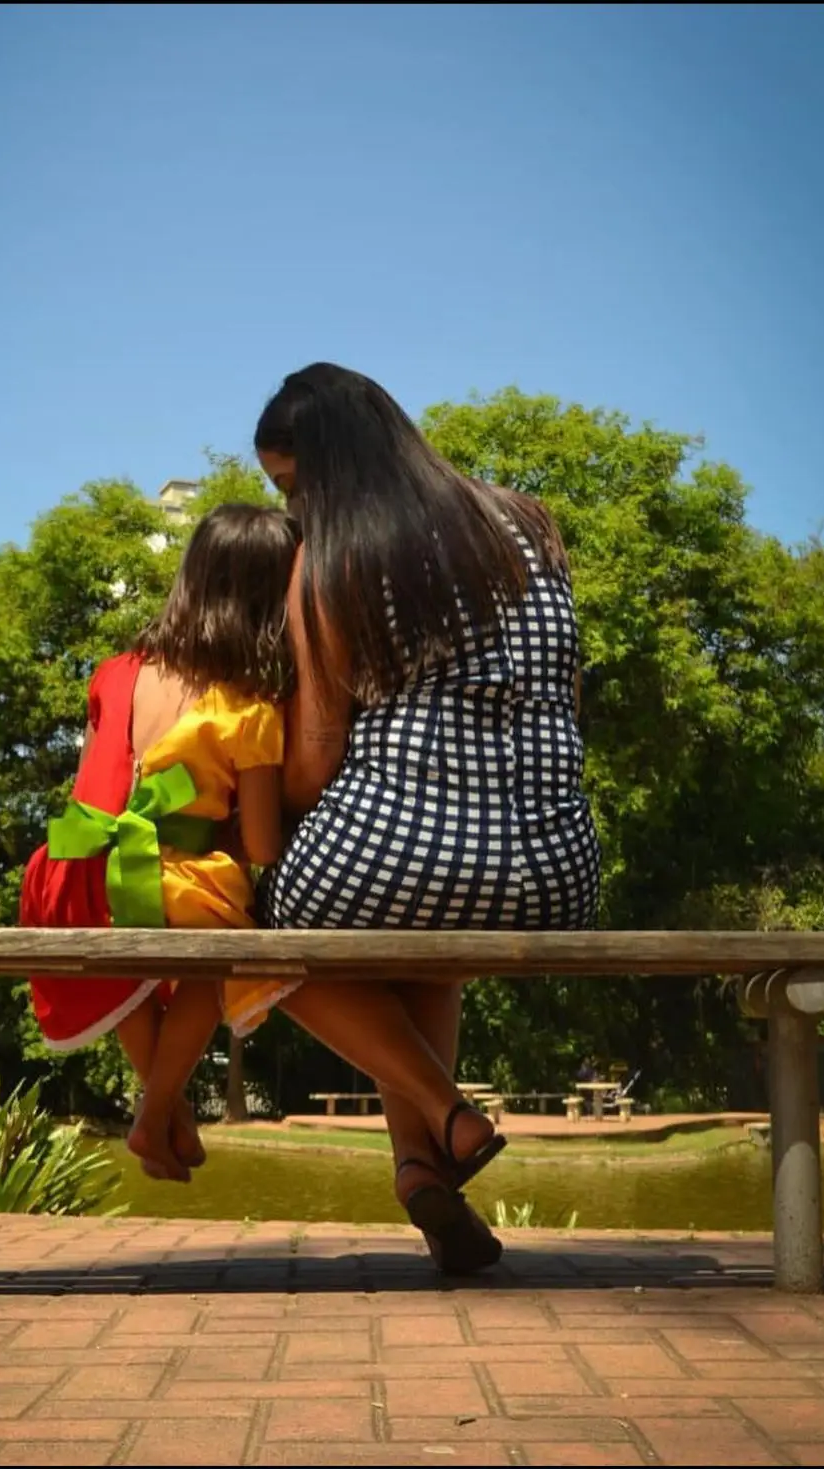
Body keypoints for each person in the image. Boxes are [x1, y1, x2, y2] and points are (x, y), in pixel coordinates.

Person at [250, 363, 602, 1275]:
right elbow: (565, 697)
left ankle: (446, 1114)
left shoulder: (334, 558)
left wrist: (255, 805)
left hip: (401, 859)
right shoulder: (528, 524)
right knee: (418, 936)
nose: (292, 510)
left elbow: (316, 754)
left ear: (332, 468)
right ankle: (419, 1173)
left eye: (292, 487)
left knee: (247, 933)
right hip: (555, 872)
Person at [20, 503, 300, 1182]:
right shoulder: (249, 706)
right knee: (218, 954)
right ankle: (155, 1112)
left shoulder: (114, 673)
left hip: (74, 872)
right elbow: (263, 846)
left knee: (126, 967)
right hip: (177, 877)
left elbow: (92, 787)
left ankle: (166, 1114)